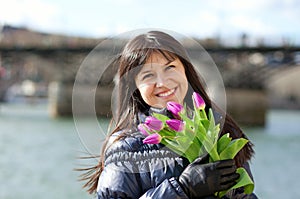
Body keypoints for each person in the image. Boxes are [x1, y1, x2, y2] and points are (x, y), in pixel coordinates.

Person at [79, 30, 258, 199]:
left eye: (170, 67)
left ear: (186, 71)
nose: (162, 82)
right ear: (134, 87)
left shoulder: (221, 130)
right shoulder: (125, 148)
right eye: (148, 75)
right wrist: (183, 188)